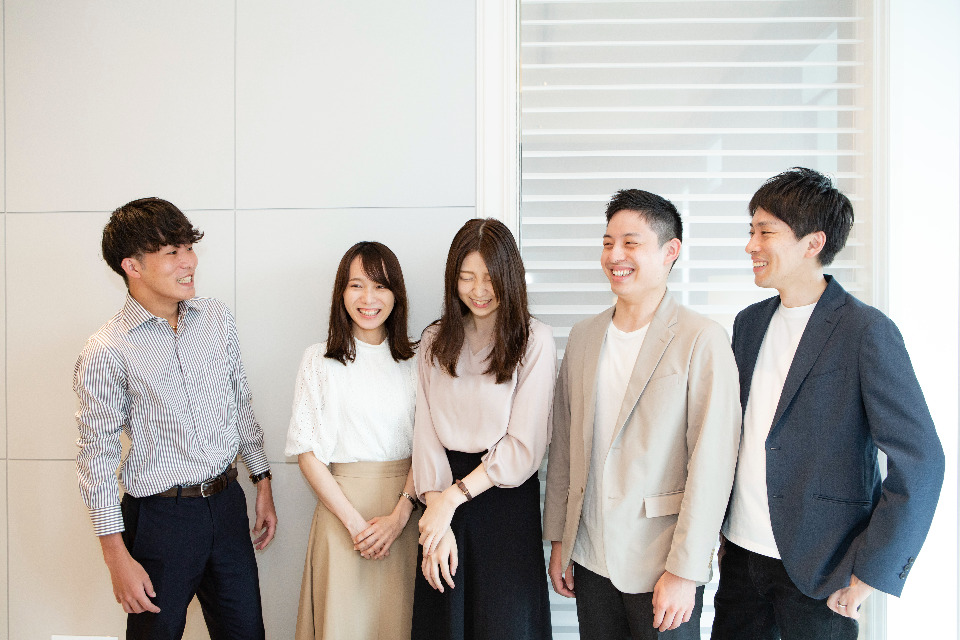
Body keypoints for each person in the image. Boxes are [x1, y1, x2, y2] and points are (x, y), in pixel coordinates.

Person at [711, 168, 945, 639]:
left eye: (765, 232)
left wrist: (872, 570)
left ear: (813, 243)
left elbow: (920, 460)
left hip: (823, 569)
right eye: (750, 231)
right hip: (740, 560)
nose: (751, 245)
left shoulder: (866, 331)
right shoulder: (748, 324)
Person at [542, 189, 741, 640]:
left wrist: (686, 571)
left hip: (661, 563)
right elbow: (565, 449)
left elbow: (712, 465)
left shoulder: (702, 338)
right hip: (590, 556)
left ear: (671, 251)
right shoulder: (584, 336)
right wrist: (559, 541)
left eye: (631, 243)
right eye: (608, 242)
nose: (615, 255)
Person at [74, 197, 277, 639]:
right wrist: (116, 557)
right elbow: (96, 459)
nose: (189, 262)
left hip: (227, 504)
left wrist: (261, 481)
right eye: (172, 252)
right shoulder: (107, 350)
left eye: (189, 247)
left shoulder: (216, 319)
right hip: (161, 519)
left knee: (247, 632)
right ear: (132, 266)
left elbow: (239, 402)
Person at [411, 218, 555, 640]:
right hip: (439, 498)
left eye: (490, 278)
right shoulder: (434, 340)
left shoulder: (534, 339)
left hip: (503, 505)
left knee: (504, 624)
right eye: (466, 277)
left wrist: (452, 500)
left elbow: (524, 445)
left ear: (509, 277)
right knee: (444, 624)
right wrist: (437, 513)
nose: (478, 290)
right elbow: (425, 435)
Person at [285, 241, 420, 640]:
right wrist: (355, 525)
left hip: (404, 515)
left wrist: (399, 517)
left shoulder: (418, 360)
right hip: (340, 516)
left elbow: (428, 448)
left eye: (380, 286)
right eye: (356, 285)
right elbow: (307, 452)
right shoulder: (318, 359)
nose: (368, 299)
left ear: (396, 294)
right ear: (341, 293)